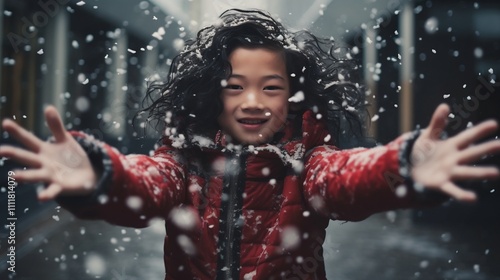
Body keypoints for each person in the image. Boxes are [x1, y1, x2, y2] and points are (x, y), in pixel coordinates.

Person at [1, 9, 499, 280]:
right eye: (234, 86)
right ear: (211, 92)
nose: (253, 102)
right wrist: (100, 174)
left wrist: (403, 165)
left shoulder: (308, 162)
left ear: (295, 96)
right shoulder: (184, 158)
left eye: (272, 87)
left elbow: (346, 177)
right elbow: (148, 184)